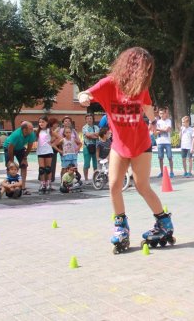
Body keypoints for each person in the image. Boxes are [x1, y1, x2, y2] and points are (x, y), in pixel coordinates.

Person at [77, 47, 174, 254]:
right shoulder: (109, 83)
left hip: (140, 143)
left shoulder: (141, 87)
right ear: (131, 66)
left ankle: (164, 222)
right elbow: (87, 92)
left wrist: (154, 120)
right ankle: (121, 226)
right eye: (143, 68)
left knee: (142, 186)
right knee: (113, 185)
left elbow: (147, 106)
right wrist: (84, 96)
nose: (146, 73)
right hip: (119, 145)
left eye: (148, 70)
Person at [3, 121, 36, 192]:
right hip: (8, 147)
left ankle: (22, 187)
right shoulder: (16, 135)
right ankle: (9, 186)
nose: (32, 130)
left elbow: (29, 147)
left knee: (24, 165)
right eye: (30, 128)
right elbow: (10, 148)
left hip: (20, 148)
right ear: (25, 130)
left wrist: (25, 158)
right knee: (10, 166)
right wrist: (11, 161)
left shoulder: (31, 134)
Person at [36, 116, 58, 194]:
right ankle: (42, 184)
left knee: (48, 168)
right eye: (40, 122)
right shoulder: (38, 131)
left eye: (43, 122)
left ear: (46, 123)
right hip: (40, 152)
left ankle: (48, 183)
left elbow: (59, 137)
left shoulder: (49, 130)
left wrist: (52, 144)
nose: (41, 123)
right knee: (41, 169)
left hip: (48, 151)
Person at [155, 107, 174, 178]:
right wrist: (162, 130)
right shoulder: (158, 122)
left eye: (163, 113)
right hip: (159, 142)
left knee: (169, 157)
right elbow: (155, 132)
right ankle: (161, 172)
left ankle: (171, 172)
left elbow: (167, 130)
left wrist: (159, 129)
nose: (162, 115)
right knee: (160, 158)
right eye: (160, 113)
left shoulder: (168, 121)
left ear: (165, 114)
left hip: (167, 142)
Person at [82, 114, 99, 183]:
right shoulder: (84, 127)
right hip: (87, 147)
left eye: (90, 118)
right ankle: (86, 179)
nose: (89, 120)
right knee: (87, 164)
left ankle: (96, 178)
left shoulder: (96, 127)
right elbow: (87, 135)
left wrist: (92, 135)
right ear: (86, 120)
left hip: (95, 147)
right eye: (88, 118)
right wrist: (94, 135)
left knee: (96, 164)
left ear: (93, 119)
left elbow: (98, 135)